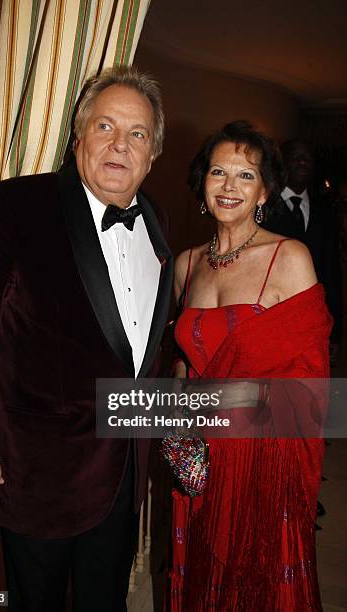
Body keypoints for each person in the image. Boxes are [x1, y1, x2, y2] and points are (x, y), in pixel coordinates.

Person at [0, 66, 173, 611]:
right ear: (78, 137)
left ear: (152, 153)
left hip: (124, 469)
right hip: (38, 471)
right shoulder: (14, 206)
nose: (121, 145)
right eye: (105, 127)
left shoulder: (158, 219)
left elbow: (142, 348)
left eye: (138, 134)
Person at [166, 122, 332, 611]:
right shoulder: (186, 264)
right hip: (200, 454)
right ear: (203, 183)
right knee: (202, 569)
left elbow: (312, 379)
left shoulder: (289, 257)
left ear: (265, 190)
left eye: (245, 174)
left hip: (261, 456)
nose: (229, 185)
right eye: (218, 172)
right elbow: (186, 357)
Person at [262, 138, 342, 358]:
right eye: (296, 157)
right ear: (282, 163)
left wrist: (335, 331)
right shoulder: (263, 208)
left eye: (308, 157)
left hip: (314, 320)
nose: (303, 162)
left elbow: (332, 272)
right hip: (272, 318)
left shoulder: (326, 212)